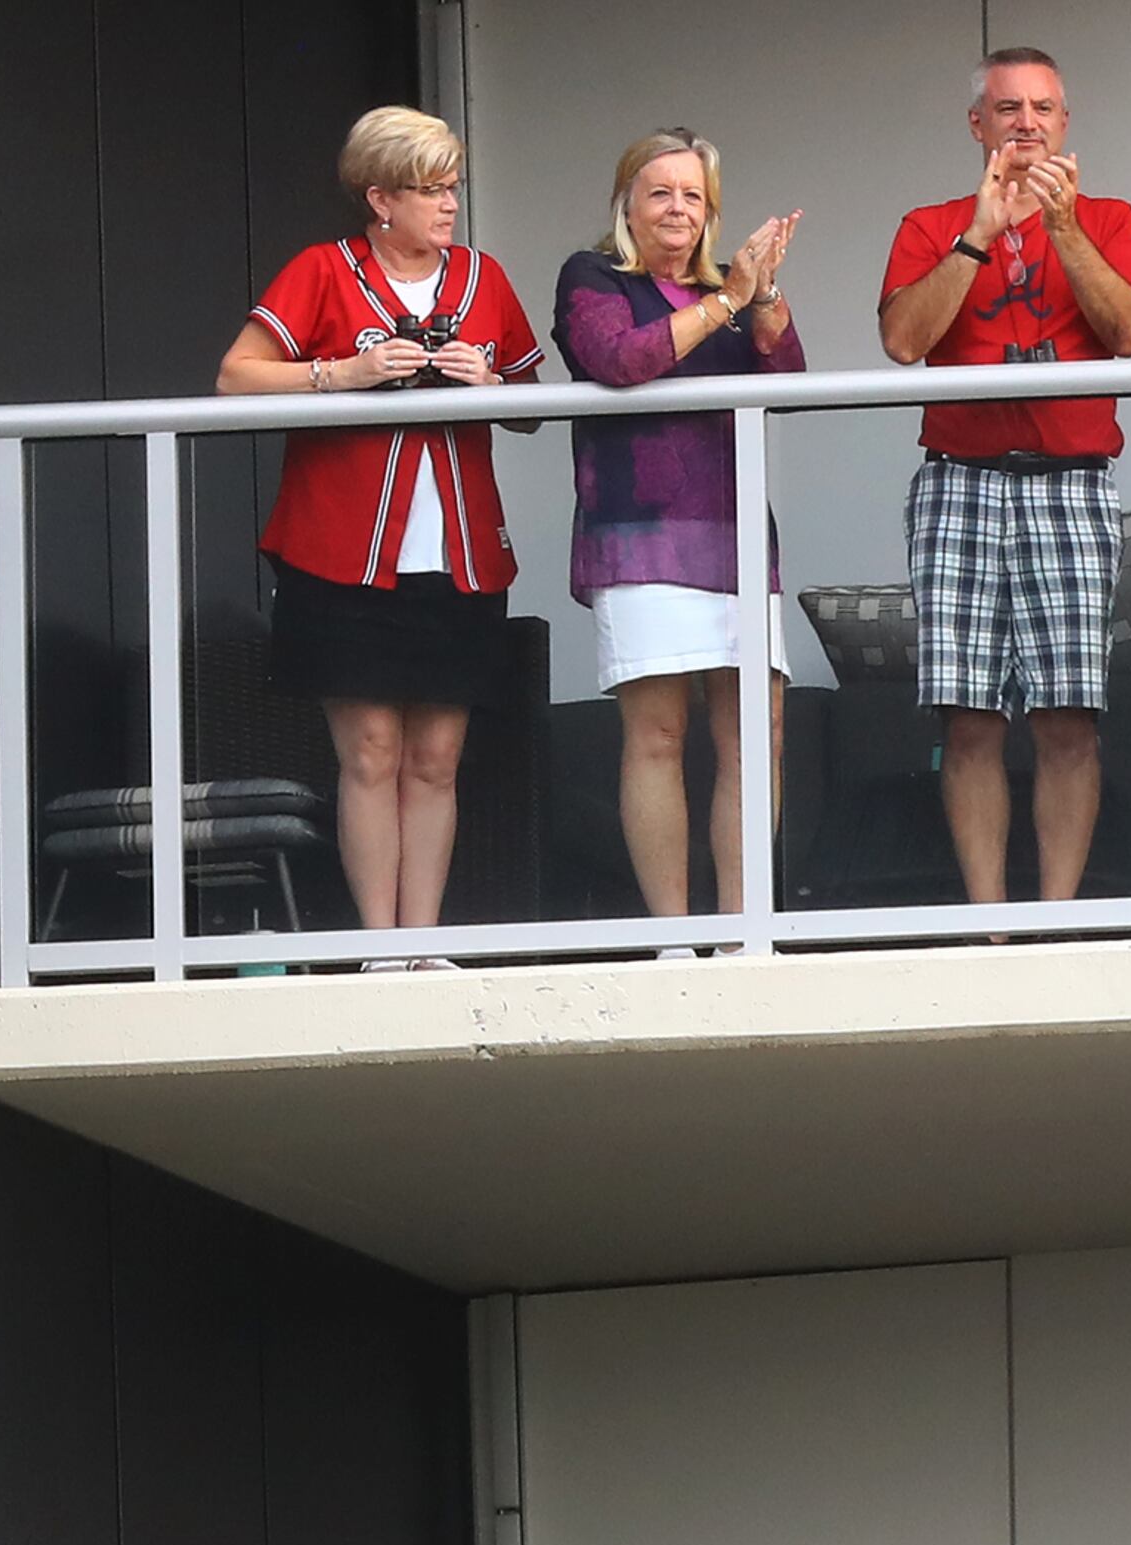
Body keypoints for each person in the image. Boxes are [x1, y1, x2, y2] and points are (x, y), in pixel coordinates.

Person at [216, 107, 546, 934]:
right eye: (430, 189)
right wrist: (345, 372)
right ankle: (380, 947)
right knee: (369, 752)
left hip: (460, 555)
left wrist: (492, 384)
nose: (449, 206)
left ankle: (423, 942)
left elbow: (537, 405)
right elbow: (235, 379)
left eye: (453, 187)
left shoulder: (485, 278)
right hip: (339, 553)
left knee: (436, 759)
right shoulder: (324, 271)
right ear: (379, 198)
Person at [881, 52, 1131, 909]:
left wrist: (1063, 227)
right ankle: (991, 928)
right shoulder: (931, 223)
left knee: (1070, 718)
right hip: (959, 480)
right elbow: (902, 341)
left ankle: (1054, 925)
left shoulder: (1107, 217)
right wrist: (979, 231)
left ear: (1065, 123)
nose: (1027, 123)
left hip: (1070, 482)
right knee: (967, 721)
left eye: (1044, 109)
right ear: (979, 125)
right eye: (1008, 109)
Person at [556, 133, 805, 927]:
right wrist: (727, 300)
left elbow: (787, 380)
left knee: (755, 733)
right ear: (626, 203)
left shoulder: (729, 291)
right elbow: (618, 360)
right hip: (642, 533)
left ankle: (742, 931)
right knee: (659, 732)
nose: (679, 209)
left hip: (735, 529)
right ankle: (672, 937)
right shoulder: (594, 276)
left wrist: (762, 295)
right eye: (661, 192)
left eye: (694, 196)